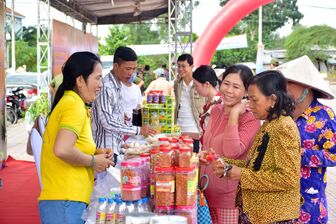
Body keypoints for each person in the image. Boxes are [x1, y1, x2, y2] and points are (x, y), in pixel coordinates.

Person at [212, 70, 302, 224]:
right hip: (258, 214)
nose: (249, 105)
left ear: (272, 100)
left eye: (254, 100)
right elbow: (256, 164)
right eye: (248, 99)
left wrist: (241, 174)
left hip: (273, 216)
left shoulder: (284, 127)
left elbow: (287, 178)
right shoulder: (270, 123)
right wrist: (225, 164)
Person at [38, 52, 114, 224]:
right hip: (65, 200)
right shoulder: (73, 106)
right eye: (97, 78)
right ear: (80, 80)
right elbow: (62, 149)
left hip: (67, 200)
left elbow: (69, 145)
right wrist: (93, 161)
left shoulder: (73, 103)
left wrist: (95, 152)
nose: (100, 84)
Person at [275, 55, 336, 224]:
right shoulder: (280, 113)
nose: (283, 88)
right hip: (278, 198)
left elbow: (333, 155)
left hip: (309, 202)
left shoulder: (325, 116)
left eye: (290, 82)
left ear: (307, 87)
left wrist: (298, 154)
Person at [198, 64, 260, 223]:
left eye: (236, 86)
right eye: (226, 83)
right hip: (204, 193)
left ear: (246, 91)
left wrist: (233, 115)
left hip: (228, 200)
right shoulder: (216, 109)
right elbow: (209, 146)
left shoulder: (250, 119)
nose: (229, 90)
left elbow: (232, 151)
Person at [91, 46, 156, 164]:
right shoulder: (107, 87)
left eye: (134, 69)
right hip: (105, 150)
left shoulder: (118, 84)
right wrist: (138, 130)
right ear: (116, 66)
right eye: (128, 69)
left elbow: (113, 117)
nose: (131, 73)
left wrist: (121, 143)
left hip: (115, 147)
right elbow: (107, 121)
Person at [174, 53, 206, 153]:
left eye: (184, 66)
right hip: (179, 128)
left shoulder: (200, 83)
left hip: (195, 129)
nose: (180, 69)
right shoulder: (177, 83)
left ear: (192, 66)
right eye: (178, 66)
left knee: (194, 160)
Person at [192, 65, 222, 145]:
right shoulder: (210, 103)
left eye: (196, 85)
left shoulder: (219, 104)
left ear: (207, 84)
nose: (195, 89)